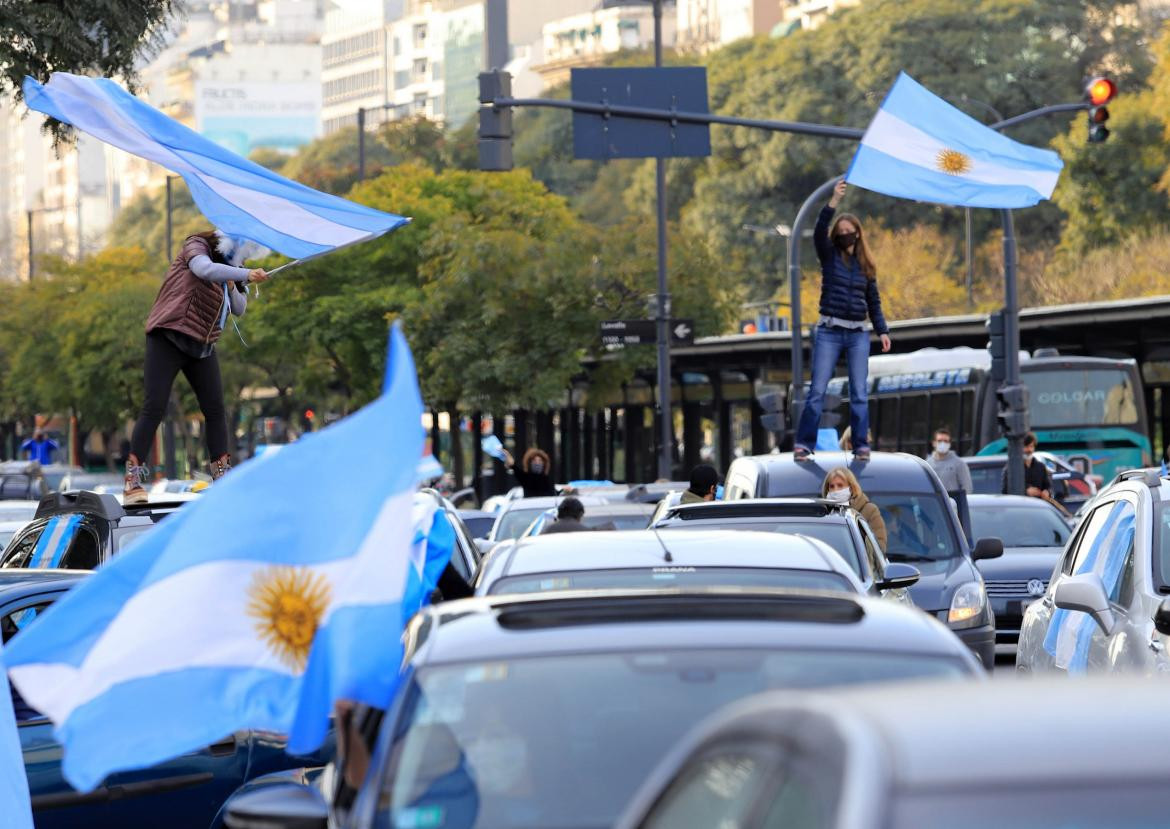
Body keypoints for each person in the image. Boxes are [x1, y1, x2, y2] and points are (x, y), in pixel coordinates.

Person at [123, 231, 269, 504]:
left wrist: (236, 276)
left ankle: (221, 477)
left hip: (201, 346)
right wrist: (244, 274)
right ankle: (133, 481)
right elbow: (203, 269)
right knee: (154, 406)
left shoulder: (231, 270)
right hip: (168, 335)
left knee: (215, 410)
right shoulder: (197, 245)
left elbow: (239, 308)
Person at [795, 180, 891, 462]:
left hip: (858, 333)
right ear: (836, 236)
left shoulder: (866, 266)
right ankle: (804, 443)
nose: (847, 235)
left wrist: (883, 331)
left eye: (851, 232)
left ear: (859, 235)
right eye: (842, 232)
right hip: (829, 329)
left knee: (860, 392)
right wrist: (834, 200)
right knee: (818, 390)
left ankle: (861, 444)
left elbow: (874, 302)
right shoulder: (829, 256)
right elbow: (818, 232)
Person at [821, 466, 887, 552]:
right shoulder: (823, 514)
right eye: (832, 486)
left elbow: (880, 547)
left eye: (840, 485)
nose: (835, 490)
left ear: (851, 488)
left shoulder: (870, 510)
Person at [1002, 432, 1052, 500]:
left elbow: (1048, 487)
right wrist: (1025, 492)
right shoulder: (1011, 468)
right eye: (1026, 446)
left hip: (1038, 507)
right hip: (1019, 507)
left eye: (1031, 446)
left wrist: (1047, 492)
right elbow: (1005, 491)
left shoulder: (1041, 467)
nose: (1029, 450)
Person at [926, 427, 973, 494]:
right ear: (934, 443)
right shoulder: (927, 464)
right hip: (933, 502)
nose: (943, 443)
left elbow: (967, 487)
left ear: (949, 444)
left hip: (952, 502)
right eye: (939, 441)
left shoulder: (959, 463)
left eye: (945, 441)